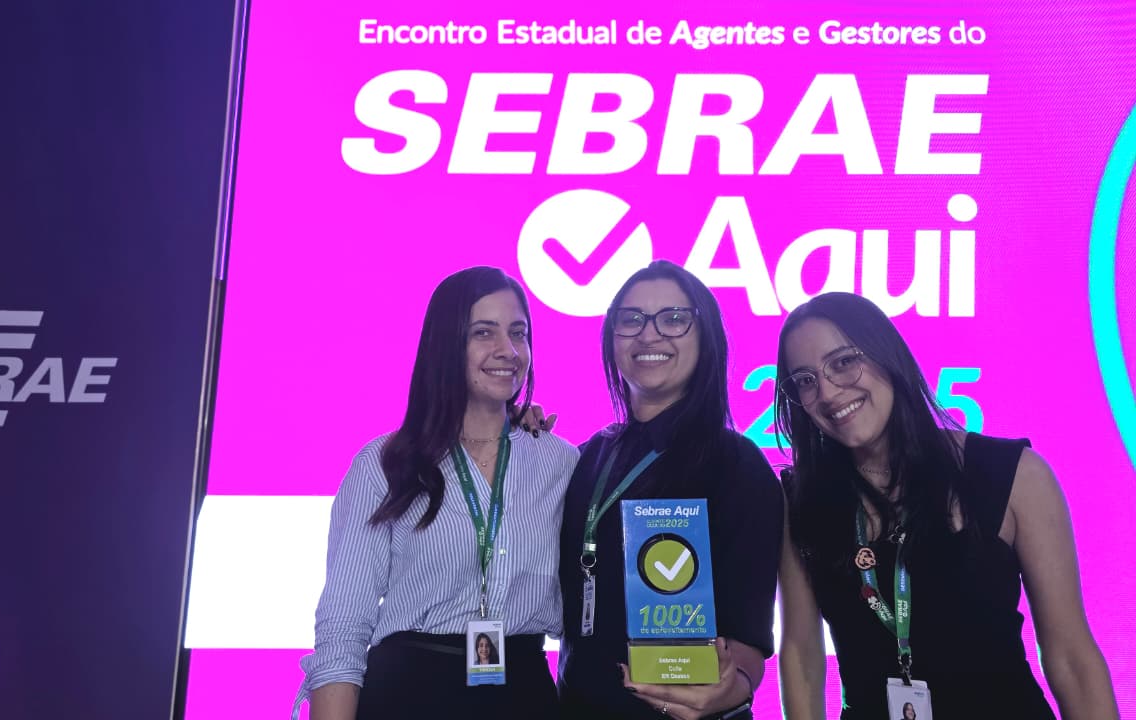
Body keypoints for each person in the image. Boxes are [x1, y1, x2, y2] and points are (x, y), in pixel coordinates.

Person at [774, 292, 1118, 720]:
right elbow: (801, 655)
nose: (827, 392)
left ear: (887, 355)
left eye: (844, 362)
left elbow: (1071, 658)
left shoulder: (1013, 474)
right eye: (805, 380)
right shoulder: (800, 500)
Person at [299, 267, 579, 720]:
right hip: (409, 694)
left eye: (518, 333)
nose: (508, 350)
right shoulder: (385, 463)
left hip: (524, 693)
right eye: (483, 332)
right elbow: (343, 629)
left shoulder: (560, 463)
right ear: (446, 344)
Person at [557, 260, 783, 719]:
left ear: (706, 336)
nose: (649, 335)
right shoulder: (588, 455)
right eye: (631, 319)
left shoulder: (736, 464)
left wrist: (733, 686)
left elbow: (748, 639)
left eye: (674, 319)